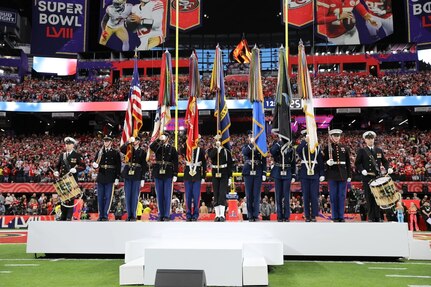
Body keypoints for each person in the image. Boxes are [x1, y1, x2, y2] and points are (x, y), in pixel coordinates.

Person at [354, 131, 392, 222]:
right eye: (368, 139)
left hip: (377, 177)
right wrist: (362, 169)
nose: (370, 140)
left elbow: (385, 161)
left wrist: (387, 168)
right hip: (367, 177)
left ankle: (378, 216)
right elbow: (357, 163)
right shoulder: (362, 151)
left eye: (371, 138)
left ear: (374, 139)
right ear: (365, 140)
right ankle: (371, 217)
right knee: (369, 197)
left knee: (378, 197)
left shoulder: (378, 150)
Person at [53, 137, 85, 221]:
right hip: (63, 179)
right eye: (66, 144)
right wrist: (56, 171)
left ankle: (68, 216)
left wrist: (76, 170)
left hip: (72, 180)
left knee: (71, 198)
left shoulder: (77, 155)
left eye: (69, 144)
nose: (67, 146)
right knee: (63, 198)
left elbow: (83, 166)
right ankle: (63, 215)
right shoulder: (62, 155)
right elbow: (57, 166)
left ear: (73, 145)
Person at [323, 129, 351, 222]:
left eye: (338, 136)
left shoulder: (344, 148)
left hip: (342, 174)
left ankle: (341, 216)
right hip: (332, 174)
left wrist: (349, 175)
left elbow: (348, 163)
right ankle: (335, 216)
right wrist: (327, 162)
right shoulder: (328, 148)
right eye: (334, 136)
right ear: (331, 137)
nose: (336, 137)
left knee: (342, 196)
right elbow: (323, 161)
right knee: (333, 196)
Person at [150, 131, 178, 221]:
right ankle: (161, 214)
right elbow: (151, 146)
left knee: (167, 194)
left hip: (168, 173)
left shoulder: (172, 149)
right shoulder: (158, 147)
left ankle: (166, 214)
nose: (163, 137)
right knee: (159, 195)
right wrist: (158, 139)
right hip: (158, 172)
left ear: (168, 138)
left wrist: (175, 174)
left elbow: (175, 162)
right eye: (163, 136)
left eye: (165, 136)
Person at [297, 130, 325, 222]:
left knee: (314, 195)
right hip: (305, 173)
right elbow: (298, 150)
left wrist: (322, 173)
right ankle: (307, 215)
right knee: (305, 195)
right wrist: (305, 141)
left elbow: (320, 161)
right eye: (306, 136)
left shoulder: (316, 147)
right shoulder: (303, 146)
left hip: (314, 172)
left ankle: (313, 215)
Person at [92, 135, 121, 221]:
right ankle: (101, 215)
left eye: (107, 141)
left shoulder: (115, 153)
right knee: (100, 197)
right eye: (105, 141)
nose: (106, 143)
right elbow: (96, 163)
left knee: (108, 197)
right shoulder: (100, 152)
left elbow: (118, 166)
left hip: (110, 176)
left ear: (111, 142)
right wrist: (94, 166)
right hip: (101, 176)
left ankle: (105, 215)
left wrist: (117, 177)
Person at [120, 135, 148, 221]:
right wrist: (128, 142)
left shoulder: (142, 152)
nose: (134, 141)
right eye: (133, 140)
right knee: (128, 195)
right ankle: (129, 215)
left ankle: (134, 214)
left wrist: (143, 177)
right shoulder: (128, 149)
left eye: (136, 140)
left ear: (139, 141)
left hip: (137, 174)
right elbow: (121, 149)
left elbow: (144, 165)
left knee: (135, 196)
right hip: (128, 174)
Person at [270, 136, 296, 222]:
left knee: (286, 195)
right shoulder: (277, 144)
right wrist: (279, 142)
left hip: (287, 171)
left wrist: (293, 174)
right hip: (278, 171)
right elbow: (272, 152)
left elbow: (293, 162)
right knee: (278, 195)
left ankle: (286, 216)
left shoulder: (290, 147)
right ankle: (279, 216)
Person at [242, 131, 267, 222]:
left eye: (253, 136)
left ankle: (255, 214)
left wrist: (264, 172)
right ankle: (250, 215)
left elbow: (264, 160)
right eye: (250, 136)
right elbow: (244, 152)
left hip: (257, 171)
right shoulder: (246, 146)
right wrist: (251, 145)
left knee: (256, 194)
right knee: (249, 195)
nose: (252, 137)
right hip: (248, 172)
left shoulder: (260, 147)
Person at [207, 134, 233, 222]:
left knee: (222, 193)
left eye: (219, 140)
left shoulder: (226, 151)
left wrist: (229, 176)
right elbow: (211, 155)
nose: (217, 141)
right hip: (215, 172)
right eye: (216, 140)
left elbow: (230, 165)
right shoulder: (211, 150)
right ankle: (217, 215)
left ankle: (222, 215)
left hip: (224, 172)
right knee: (216, 194)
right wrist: (216, 149)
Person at [183, 136, 207, 221]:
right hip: (188, 175)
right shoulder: (187, 149)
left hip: (197, 175)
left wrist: (204, 176)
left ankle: (196, 214)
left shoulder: (201, 150)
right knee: (188, 196)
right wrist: (186, 140)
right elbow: (181, 150)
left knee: (196, 196)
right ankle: (188, 214)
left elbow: (204, 163)